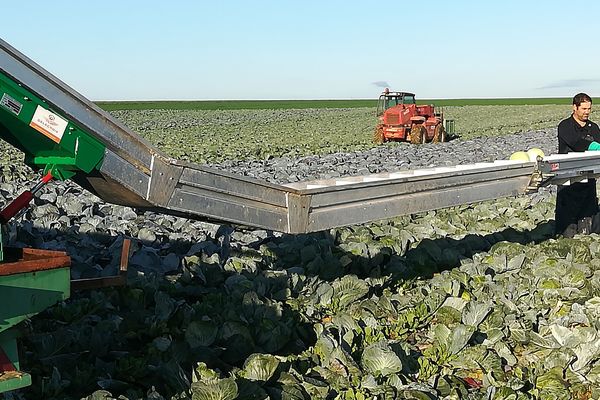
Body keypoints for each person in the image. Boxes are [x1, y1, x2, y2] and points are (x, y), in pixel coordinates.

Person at [555, 93, 600, 237]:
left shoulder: (594, 128)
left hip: (589, 179)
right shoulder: (565, 126)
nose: (587, 112)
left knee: (588, 223)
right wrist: (595, 147)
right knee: (567, 227)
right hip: (568, 180)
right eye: (584, 109)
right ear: (574, 107)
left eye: (589, 109)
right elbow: (576, 143)